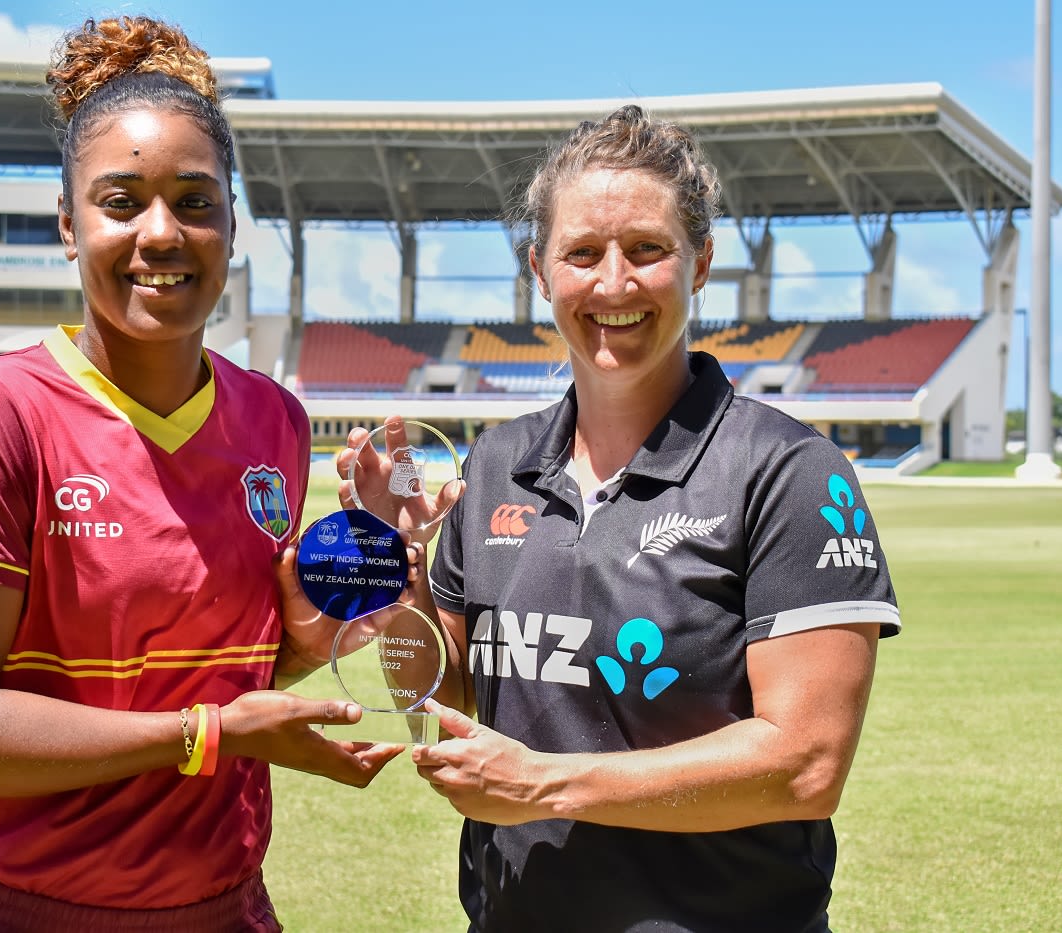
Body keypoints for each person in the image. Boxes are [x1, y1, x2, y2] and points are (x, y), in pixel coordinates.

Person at [0, 15, 400, 932]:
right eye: (122, 202)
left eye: (196, 202)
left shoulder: (274, 419)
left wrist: (312, 636)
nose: (163, 232)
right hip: (13, 908)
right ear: (69, 229)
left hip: (223, 906)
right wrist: (204, 738)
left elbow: (217, 676)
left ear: (234, 227)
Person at [336, 106, 901, 932]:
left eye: (646, 250)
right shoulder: (496, 464)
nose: (613, 284)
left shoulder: (789, 472)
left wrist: (544, 782)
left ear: (700, 262)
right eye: (581, 253)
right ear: (539, 269)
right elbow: (438, 707)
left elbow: (805, 764)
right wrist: (396, 582)